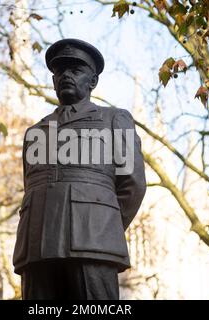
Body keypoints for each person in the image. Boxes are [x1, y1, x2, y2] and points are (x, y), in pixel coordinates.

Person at [12, 38, 146, 300]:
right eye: (60, 71)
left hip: (93, 242)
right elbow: (32, 187)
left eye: (75, 70)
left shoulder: (114, 120)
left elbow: (133, 185)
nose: (65, 76)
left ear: (92, 81)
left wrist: (102, 225)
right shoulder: (35, 133)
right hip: (38, 245)